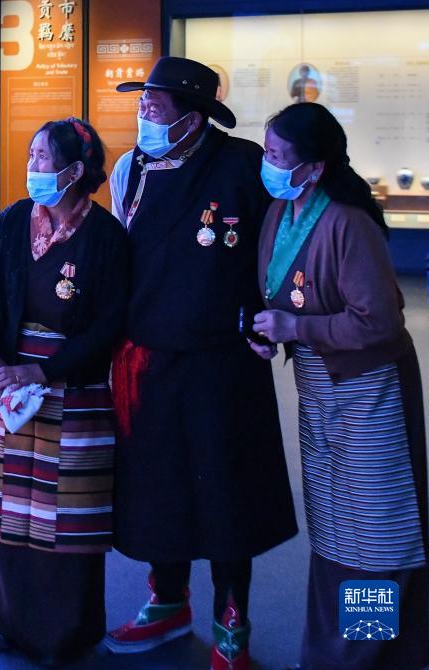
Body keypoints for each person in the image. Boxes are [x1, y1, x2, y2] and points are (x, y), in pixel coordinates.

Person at [105, 57, 297, 670]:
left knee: (225, 494)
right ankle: (167, 600)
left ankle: (232, 622)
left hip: (223, 363)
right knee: (159, 488)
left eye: (154, 105)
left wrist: (275, 316)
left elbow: (280, 245)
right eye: (142, 103)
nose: (143, 113)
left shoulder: (242, 165)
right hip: (150, 358)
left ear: (192, 117)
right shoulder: (130, 169)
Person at [252, 102, 428, 670]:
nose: (268, 164)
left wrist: (295, 328)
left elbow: (380, 322)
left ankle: (372, 655)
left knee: (375, 536)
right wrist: (270, 334)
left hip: (370, 391)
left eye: (278, 156)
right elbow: (281, 297)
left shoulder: (348, 223)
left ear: (314, 167)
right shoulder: (281, 212)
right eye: (267, 152)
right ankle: (331, 653)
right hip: (321, 390)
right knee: (333, 528)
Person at [0, 117, 129, 666]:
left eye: (42, 158)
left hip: (73, 389)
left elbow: (110, 325)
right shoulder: (15, 219)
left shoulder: (106, 237)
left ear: (74, 171)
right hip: (10, 388)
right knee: (8, 509)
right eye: (31, 155)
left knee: (67, 515)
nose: (31, 166)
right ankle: (8, 621)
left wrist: (45, 372)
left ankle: (63, 634)